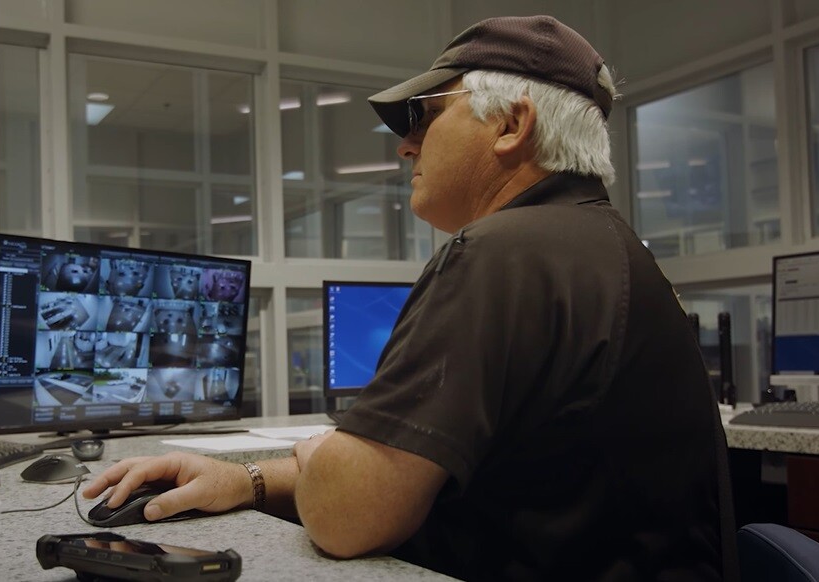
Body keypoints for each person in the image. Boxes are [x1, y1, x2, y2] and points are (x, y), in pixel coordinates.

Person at [83, 15, 736, 581]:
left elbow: (346, 515)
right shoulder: (605, 250)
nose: (405, 145)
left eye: (424, 115)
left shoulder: (503, 252)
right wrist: (249, 479)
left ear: (512, 123)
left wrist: (328, 463)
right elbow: (410, 470)